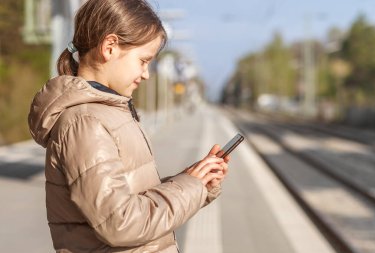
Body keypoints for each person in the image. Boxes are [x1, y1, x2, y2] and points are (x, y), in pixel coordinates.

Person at [28, 0, 229, 252]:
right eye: (144, 61)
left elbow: (132, 196)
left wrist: (193, 181)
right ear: (110, 47)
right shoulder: (86, 123)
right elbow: (120, 222)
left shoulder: (106, 113)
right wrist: (190, 187)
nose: (146, 74)